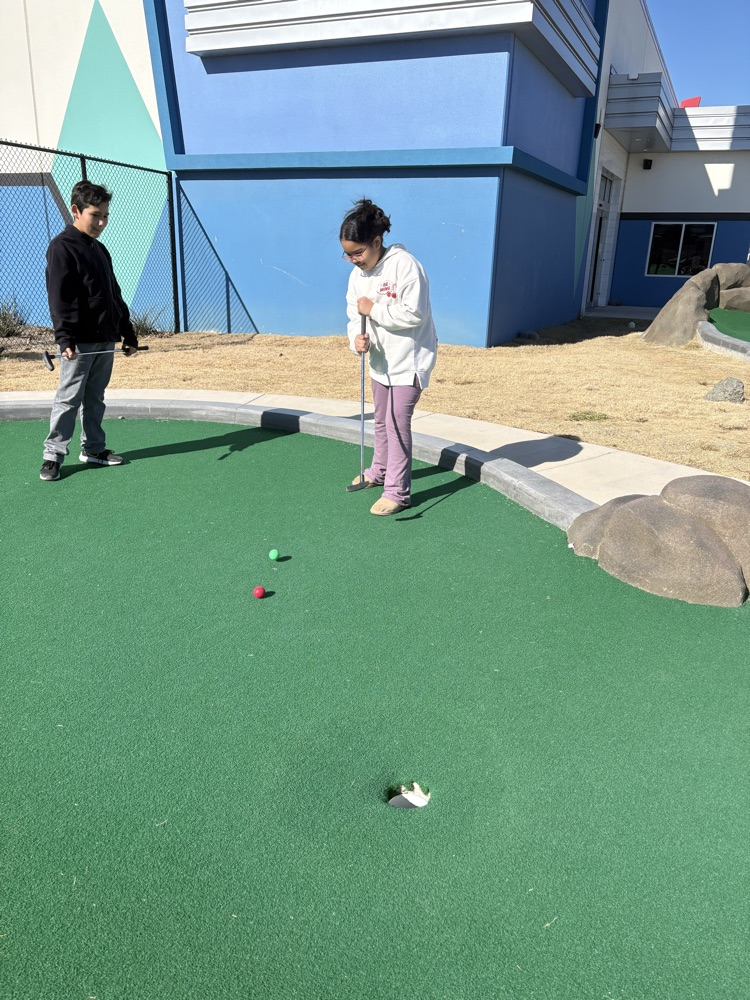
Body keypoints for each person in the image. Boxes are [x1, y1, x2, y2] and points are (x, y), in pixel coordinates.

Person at [340, 198, 438, 515]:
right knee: (381, 421)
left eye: (359, 252)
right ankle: (379, 472)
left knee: (397, 423)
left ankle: (397, 492)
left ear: (377, 241)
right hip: (380, 362)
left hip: (409, 360)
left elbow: (415, 314)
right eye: (348, 254)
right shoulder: (357, 276)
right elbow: (354, 315)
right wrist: (356, 340)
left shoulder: (405, 265)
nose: (354, 259)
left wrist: (375, 310)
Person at [39, 181, 139, 481]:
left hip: (104, 338)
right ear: (75, 210)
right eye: (95, 215)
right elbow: (60, 297)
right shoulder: (62, 247)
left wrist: (127, 331)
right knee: (69, 398)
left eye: (106, 216)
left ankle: (94, 449)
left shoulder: (100, 249)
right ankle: (53, 455)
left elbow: (113, 294)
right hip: (79, 342)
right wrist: (64, 336)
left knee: (95, 397)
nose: (101, 222)